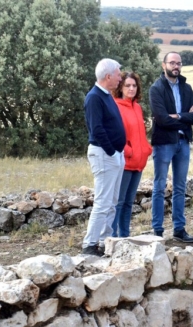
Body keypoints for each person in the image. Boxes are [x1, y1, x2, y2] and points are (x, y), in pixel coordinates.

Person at [149, 52, 193, 243]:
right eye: (172, 63)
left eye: (179, 63)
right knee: (159, 186)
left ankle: (179, 229)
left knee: (180, 187)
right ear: (164, 65)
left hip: (183, 143)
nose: (176, 66)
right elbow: (162, 119)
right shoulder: (156, 88)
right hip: (164, 143)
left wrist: (178, 116)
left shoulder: (186, 88)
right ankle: (157, 231)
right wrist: (185, 117)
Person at [82, 58, 126, 256]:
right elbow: (97, 129)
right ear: (108, 76)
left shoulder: (106, 95)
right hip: (104, 154)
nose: (120, 78)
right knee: (102, 202)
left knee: (112, 201)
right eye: (118, 74)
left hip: (114, 154)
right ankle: (90, 244)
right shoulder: (94, 98)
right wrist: (112, 151)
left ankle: (104, 241)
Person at [111, 72, 152, 237]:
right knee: (118, 202)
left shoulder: (137, 107)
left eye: (134, 85)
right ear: (120, 87)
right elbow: (114, 134)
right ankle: (112, 238)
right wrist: (128, 151)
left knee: (129, 203)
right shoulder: (115, 106)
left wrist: (147, 149)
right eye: (127, 85)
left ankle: (125, 236)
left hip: (139, 162)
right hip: (125, 162)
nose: (131, 88)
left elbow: (140, 133)